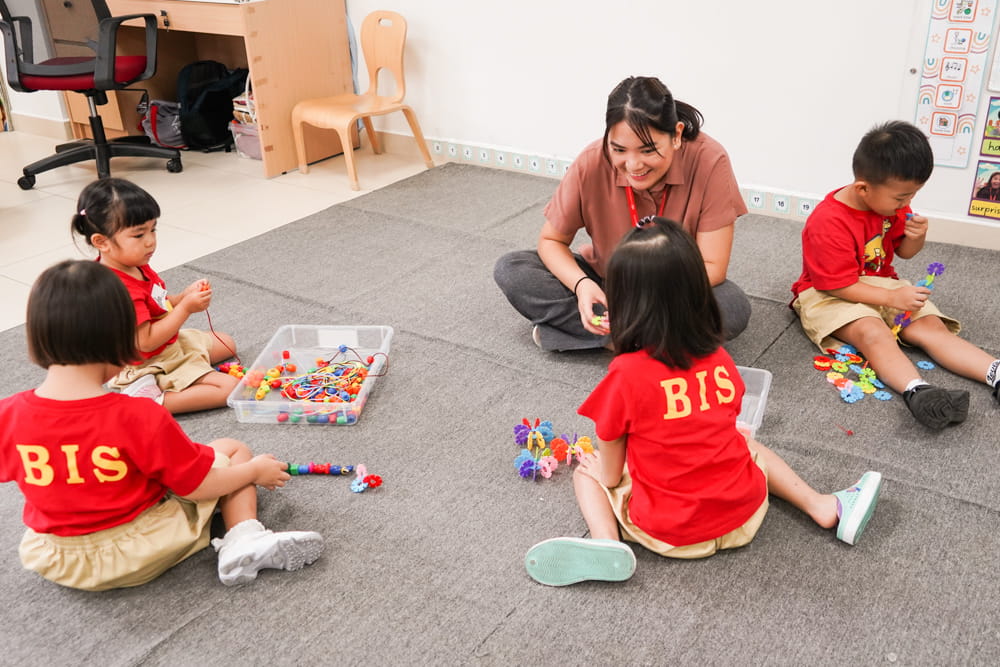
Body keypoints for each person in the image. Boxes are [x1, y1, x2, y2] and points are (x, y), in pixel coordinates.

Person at [523, 219, 881, 586]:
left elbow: (612, 466)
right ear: (698, 293)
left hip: (671, 534)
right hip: (745, 517)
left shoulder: (625, 375)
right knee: (747, 443)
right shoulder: (719, 358)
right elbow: (719, 418)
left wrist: (604, 471)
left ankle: (606, 544)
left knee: (588, 472)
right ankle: (821, 505)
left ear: (622, 300)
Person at [0, 260, 324, 591]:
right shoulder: (138, 414)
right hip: (138, 550)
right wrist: (254, 472)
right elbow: (197, 485)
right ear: (121, 342)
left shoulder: (7, 414)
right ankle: (244, 538)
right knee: (233, 450)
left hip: (62, 560)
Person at [494, 75, 751, 352]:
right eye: (618, 149)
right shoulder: (591, 161)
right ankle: (648, 343)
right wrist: (582, 286)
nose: (633, 165)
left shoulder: (709, 160)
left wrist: (651, 300)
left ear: (676, 135)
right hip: (606, 283)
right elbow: (551, 241)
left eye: (648, 150)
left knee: (732, 306)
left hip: (673, 289)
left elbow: (712, 265)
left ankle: (602, 337)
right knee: (512, 269)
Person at [791, 120, 1000, 430]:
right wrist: (890, 297)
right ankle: (917, 391)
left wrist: (916, 237)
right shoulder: (827, 222)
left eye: (912, 196)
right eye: (901, 198)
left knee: (929, 327)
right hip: (827, 292)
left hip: (882, 284)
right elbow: (836, 284)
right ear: (863, 188)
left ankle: (995, 371)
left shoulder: (891, 206)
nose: (907, 205)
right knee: (872, 331)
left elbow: (903, 252)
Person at [71, 177, 239, 413]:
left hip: (165, 344)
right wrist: (185, 309)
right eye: (139, 235)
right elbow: (146, 341)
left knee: (226, 343)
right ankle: (149, 402)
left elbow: (157, 304)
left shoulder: (133, 263)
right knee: (231, 388)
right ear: (102, 242)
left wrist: (181, 298)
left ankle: (174, 377)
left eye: (153, 229)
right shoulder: (118, 288)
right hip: (147, 360)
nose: (150, 242)